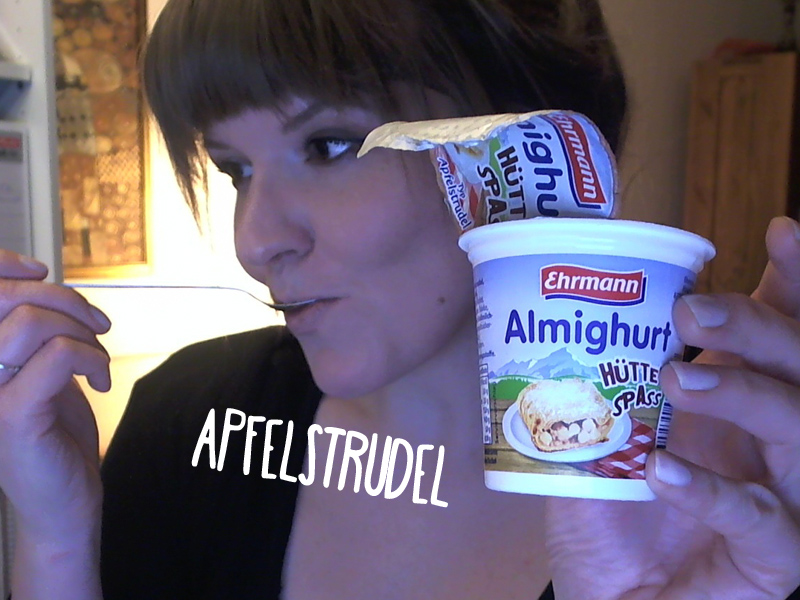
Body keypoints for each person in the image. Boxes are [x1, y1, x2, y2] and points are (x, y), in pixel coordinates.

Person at [1, 0, 800, 598]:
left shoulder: (729, 482)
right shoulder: (199, 425)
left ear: (525, 142)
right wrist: (56, 541)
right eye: (235, 169)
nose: (255, 241)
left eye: (330, 144)